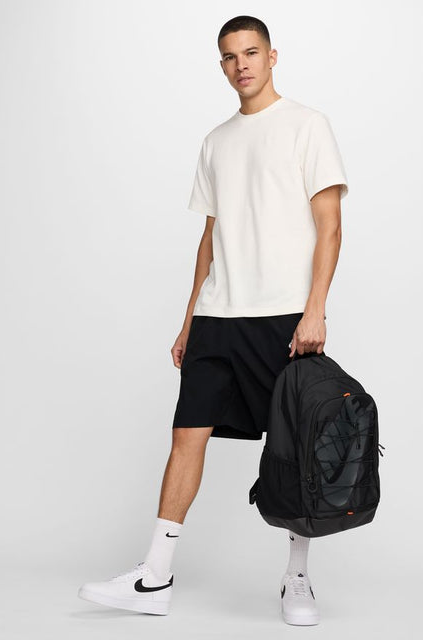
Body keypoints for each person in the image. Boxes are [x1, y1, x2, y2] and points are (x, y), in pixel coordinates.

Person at [78, 15, 348, 626]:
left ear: (272, 56)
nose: (240, 65)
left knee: (295, 446)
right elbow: (209, 237)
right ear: (221, 65)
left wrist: (315, 309)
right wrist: (188, 321)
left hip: (283, 314)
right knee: (186, 435)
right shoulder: (215, 141)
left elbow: (330, 226)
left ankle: (297, 578)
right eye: (229, 56)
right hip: (217, 315)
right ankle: (154, 576)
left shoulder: (307, 125)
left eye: (251, 52)